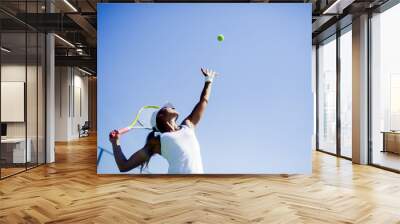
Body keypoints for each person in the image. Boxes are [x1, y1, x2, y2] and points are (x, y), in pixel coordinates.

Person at [109, 68, 217, 174]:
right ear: (160, 116)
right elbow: (123, 166)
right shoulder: (157, 141)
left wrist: (208, 80)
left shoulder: (188, 125)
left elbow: (203, 101)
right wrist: (115, 142)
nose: (172, 106)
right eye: (168, 106)